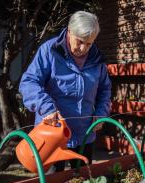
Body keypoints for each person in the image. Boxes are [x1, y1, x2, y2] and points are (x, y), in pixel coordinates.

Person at [19, 11, 111, 171]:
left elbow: (105, 89)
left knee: (84, 181)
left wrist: (102, 113)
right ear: (69, 31)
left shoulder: (97, 60)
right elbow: (29, 82)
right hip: (53, 135)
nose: (83, 48)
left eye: (89, 44)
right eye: (80, 41)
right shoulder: (49, 51)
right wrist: (46, 107)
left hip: (84, 135)